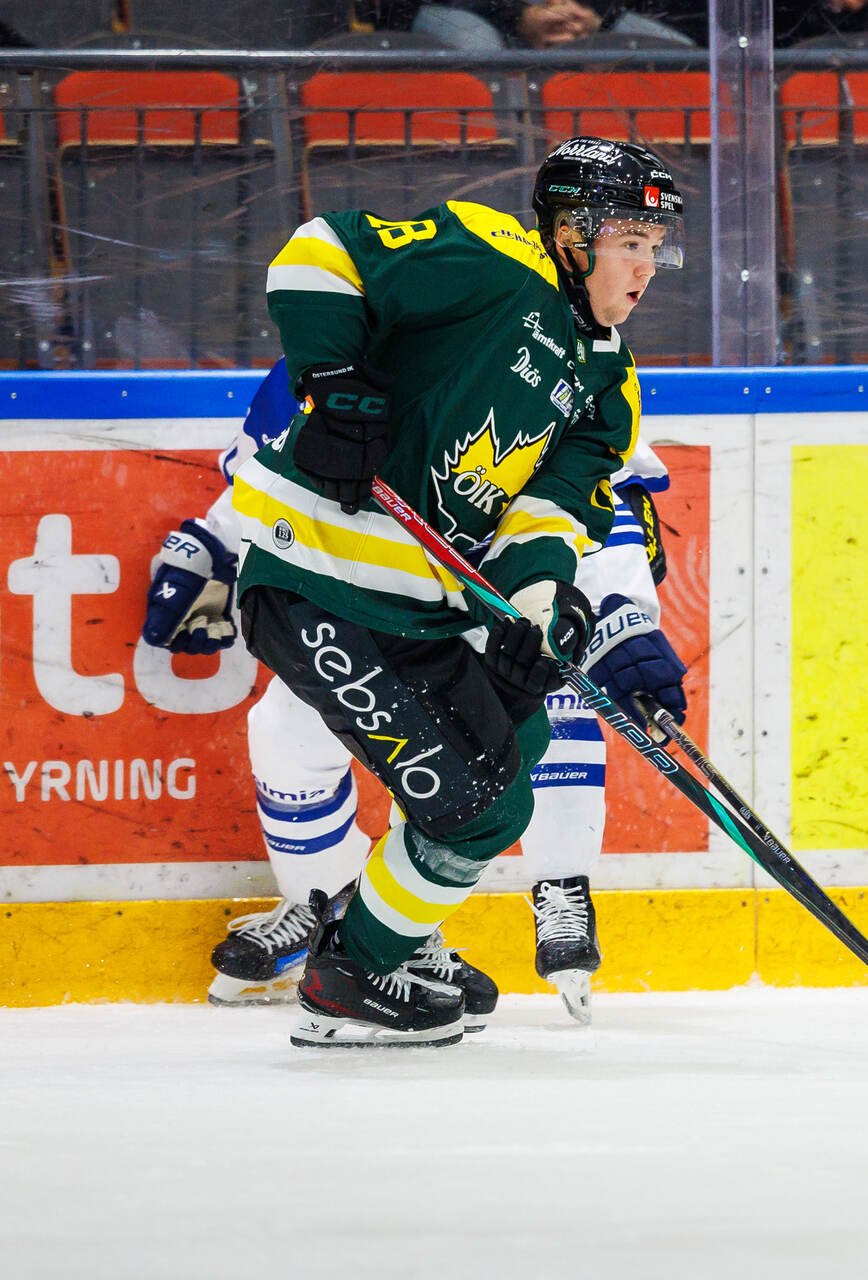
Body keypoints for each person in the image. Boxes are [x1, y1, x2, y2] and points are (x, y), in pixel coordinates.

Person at [225, 136, 692, 1047]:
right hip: (312, 576)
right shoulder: (491, 256)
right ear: (571, 234)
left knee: (515, 756)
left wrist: (539, 607)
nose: (646, 267)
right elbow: (320, 250)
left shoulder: (608, 383)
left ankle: (386, 939)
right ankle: (348, 971)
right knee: (476, 803)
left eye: (655, 247)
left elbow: (547, 517)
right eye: (629, 242)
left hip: (419, 609)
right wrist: (333, 379)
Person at [141, 356, 680, 1025]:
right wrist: (207, 545)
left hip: (500, 608)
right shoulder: (330, 359)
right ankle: (332, 905)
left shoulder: (532, 353)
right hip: (376, 603)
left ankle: (559, 884)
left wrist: (624, 621)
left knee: (538, 709)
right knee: (285, 727)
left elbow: (592, 503)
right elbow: (284, 471)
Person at [410, 0, 695, 49]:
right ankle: (489, 148)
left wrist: (590, 17)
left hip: (586, 13)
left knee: (682, 52)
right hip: (474, 10)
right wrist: (520, 17)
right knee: (477, 45)